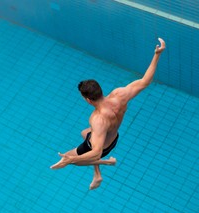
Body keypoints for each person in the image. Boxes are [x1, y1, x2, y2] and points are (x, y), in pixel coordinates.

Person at [51, 38, 166, 190]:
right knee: (85, 133)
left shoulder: (97, 119)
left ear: (88, 100)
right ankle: (98, 174)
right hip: (114, 137)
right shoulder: (119, 95)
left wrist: (72, 159)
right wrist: (157, 54)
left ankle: (106, 164)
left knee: (72, 160)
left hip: (103, 147)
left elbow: (96, 152)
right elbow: (145, 81)